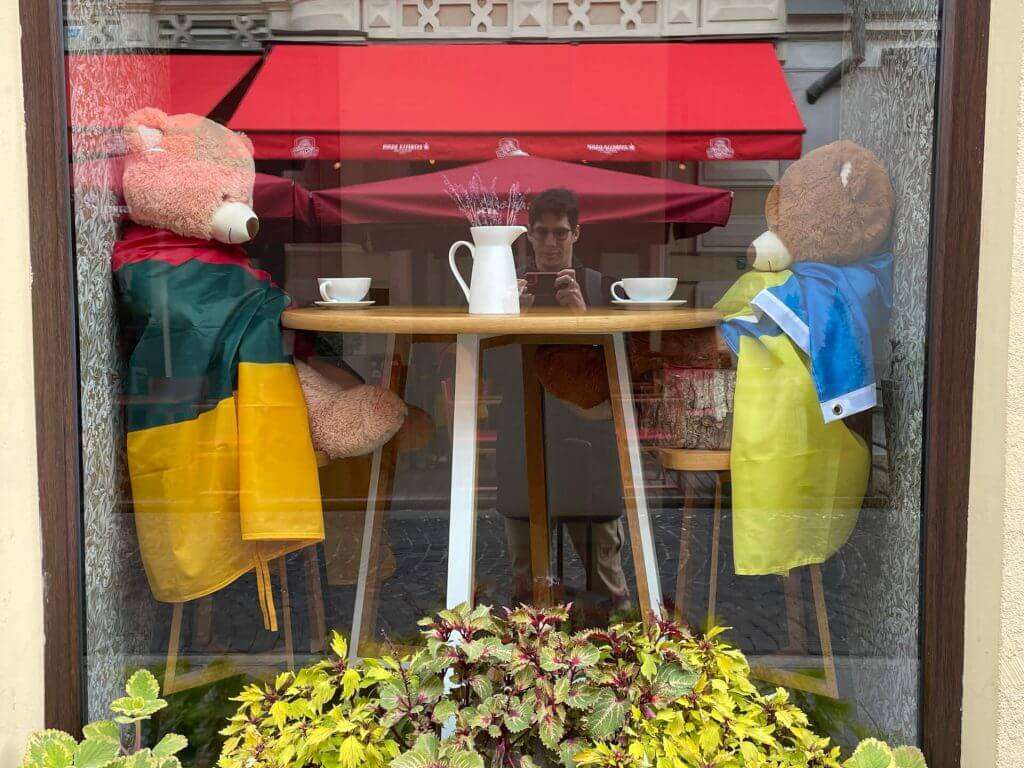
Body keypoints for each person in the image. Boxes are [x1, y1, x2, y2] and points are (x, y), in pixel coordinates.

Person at [493, 188, 630, 616]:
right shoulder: (502, 289)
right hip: (522, 442)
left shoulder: (603, 289)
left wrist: (584, 320)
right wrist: (507, 320)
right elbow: (489, 373)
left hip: (591, 451)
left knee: (605, 579)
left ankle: (613, 660)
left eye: (560, 233)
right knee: (527, 585)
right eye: (541, 234)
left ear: (577, 234)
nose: (551, 244)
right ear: (528, 237)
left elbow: (620, 371)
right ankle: (529, 664)